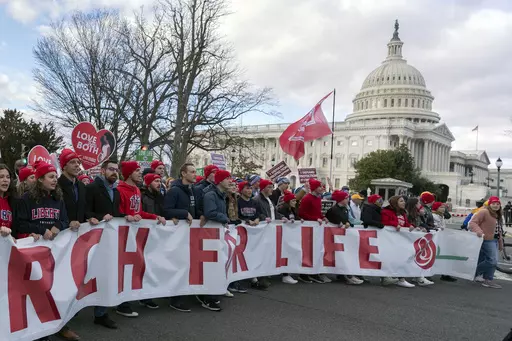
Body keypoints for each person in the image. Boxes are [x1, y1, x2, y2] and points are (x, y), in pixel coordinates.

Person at [15, 162, 73, 341]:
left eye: (56, 176)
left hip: (54, 254)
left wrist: (58, 226)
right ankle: (37, 331)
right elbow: (20, 224)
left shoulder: (58, 199)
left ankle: (53, 327)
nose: (55, 180)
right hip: (33, 254)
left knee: (53, 290)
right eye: (51, 177)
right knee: (35, 292)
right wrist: (41, 230)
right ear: (40, 180)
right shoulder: (26, 199)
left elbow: (65, 220)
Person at [117, 161, 166, 313]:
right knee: (122, 269)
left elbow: (139, 213)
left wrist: (154, 216)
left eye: (139, 170)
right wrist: (126, 216)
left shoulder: (137, 190)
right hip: (122, 236)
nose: (140, 173)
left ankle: (131, 298)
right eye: (137, 170)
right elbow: (117, 214)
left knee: (136, 267)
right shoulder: (119, 190)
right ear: (128, 173)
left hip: (135, 235)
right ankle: (122, 303)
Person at [85, 159, 122, 329]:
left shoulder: (117, 191)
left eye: (116, 170)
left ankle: (101, 313)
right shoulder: (92, 188)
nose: (114, 172)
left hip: (110, 239)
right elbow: (86, 211)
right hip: (94, 239)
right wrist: (100, 216)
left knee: (107, 274)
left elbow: (115, 213)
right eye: (111, 169)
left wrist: (126, 216)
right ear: (102, 170)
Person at [163, 163, 199, 312]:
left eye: (195, 172)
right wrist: (184, 214)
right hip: (176, 236)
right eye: (192, 172)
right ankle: (175, 299)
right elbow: (166, 210)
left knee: (186, 265)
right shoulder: (174, 191)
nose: (194, 174)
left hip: (187, 235)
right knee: (177, 265)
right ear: (183, 174)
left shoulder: (190, 190)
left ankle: (181, 295)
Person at [202, 169, 237, 310]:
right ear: (220, 180)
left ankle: (213, 294)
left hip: (217, 233)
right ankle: (208, 297)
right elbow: (210, 212)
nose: (230, 181)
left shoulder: (221, 195)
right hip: (211, 234)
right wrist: (225, 219)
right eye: (228, 178)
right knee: (212, 265)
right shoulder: (211, 194)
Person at [326, 190, 364, 285]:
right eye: (346, 198)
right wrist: (341, 223)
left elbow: (349, 219)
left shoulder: (345, 208)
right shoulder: (334, 209)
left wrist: (357, 223)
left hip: (343, 236)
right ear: (341, 199)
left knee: (345, 255)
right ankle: (347, 276)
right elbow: (334, 219)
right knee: (341, 255)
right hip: (336, 237)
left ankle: (344, 275)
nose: (348, 199)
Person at [298, 178, 329, 284]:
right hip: (309, 228)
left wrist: (322, 217)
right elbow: (302, 213)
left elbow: (317, 212)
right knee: (307, 251)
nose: (322, 188)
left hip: (316, 229)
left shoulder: (318, 198)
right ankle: (304, 274)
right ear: (315, 188)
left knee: (316, 251)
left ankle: (313, 272)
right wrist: (315, 219)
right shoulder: (307, 198)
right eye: (320, 186)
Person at [381, 195, 417, 288]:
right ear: (395, 203)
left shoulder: (403, 213)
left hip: (400, 240)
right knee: (389, 258)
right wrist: (394, 224)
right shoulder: (386, 212)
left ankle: (401, 278)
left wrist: (411, 226)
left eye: (403, 201)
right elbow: (384, 222)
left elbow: (405, 223)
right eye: (401, 201)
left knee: (402, 258)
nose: (404, 203)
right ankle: (386, 277)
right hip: (389, 239)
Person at [469, 196, 504, 289]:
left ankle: (488, 280)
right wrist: (479, 231)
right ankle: (474, 272)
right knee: (492, 261)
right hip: (487, 239)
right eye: (493, 204)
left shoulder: (498, 214)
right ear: (489, 204)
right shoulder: (484, 211)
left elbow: (499, 229)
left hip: (495, 239)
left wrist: (500, 242)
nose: (496, 206)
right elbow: (472, 223)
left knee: (491, 260)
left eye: (498, 204)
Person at [0, 165, 15, 240]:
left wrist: (27, 235)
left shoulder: (12, 201)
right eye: (1, 177)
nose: (5, 180)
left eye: (8, 177)